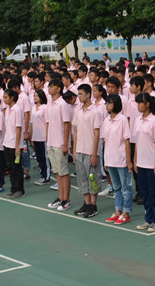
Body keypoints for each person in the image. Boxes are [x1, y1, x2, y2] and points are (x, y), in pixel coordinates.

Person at [131, 92, 155, 232]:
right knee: (144, 193)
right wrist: (135, 159)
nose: (138, 105)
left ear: (147, 104)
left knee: (154, 194)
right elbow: (137, 141)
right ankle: (148, 219)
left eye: (140, 103)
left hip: (152, 164)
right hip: (141, 163)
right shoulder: (138, 120)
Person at [101, 94, 133, 225]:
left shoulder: (123, 120)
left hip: (121, 159)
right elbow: (105, 142)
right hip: (110, 159)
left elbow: (126, 141)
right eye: (106, 103)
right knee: (117, 187)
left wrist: (129, 160)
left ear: (116, 104)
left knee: (126, 188)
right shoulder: (106, 121)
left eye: (109, 103)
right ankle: (118, 211)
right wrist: (105, 160)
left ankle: (126, 212)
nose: (107, 105)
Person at [71, 84, 102, 218]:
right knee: (82, 178)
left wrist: (94, 154)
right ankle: (86, 203)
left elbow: (97, 134)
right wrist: (74, 151)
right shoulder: (78, 111)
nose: (79, 97)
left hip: (90, 151)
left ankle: (93, 205)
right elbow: (76, 132)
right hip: (80, 150)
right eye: (78, 94)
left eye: (81, 94)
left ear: (88, 94)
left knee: (93, 178)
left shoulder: (95, 111)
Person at [45, 78, 73, 212]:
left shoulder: (62, 104)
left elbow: (67, 124)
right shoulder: (50, 104)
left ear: (59, 89)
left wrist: (65, 144)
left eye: (52, 86)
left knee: (63, 171)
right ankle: (60, 197)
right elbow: (48, 123)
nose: (49, 88)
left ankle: (66, 200)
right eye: (49, 86)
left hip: (60, 142)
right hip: (51, 142)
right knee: (57, 171)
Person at [2, 89, 25, 198]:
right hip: (7, 142)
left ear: (12, 98)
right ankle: (13, 188)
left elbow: (18, 128)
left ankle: (20, 190)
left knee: (16, 168)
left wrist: (17, 146)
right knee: (10, 167)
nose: (4, 99)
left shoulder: (17, 110)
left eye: (6, 97)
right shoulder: (7, 109)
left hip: (15, 144)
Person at [30, 89, 50, 185]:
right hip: (36, 136)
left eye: (37, 96)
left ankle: (46, 176)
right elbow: (33, 122)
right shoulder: (33, 107)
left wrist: (47, 135)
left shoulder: (45, 108)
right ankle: (42, 175)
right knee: (39, 157)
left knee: (44, 157)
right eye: (34, 96)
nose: (35, 97)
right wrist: (32, 136)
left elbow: (47, 122)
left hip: (42, 136)